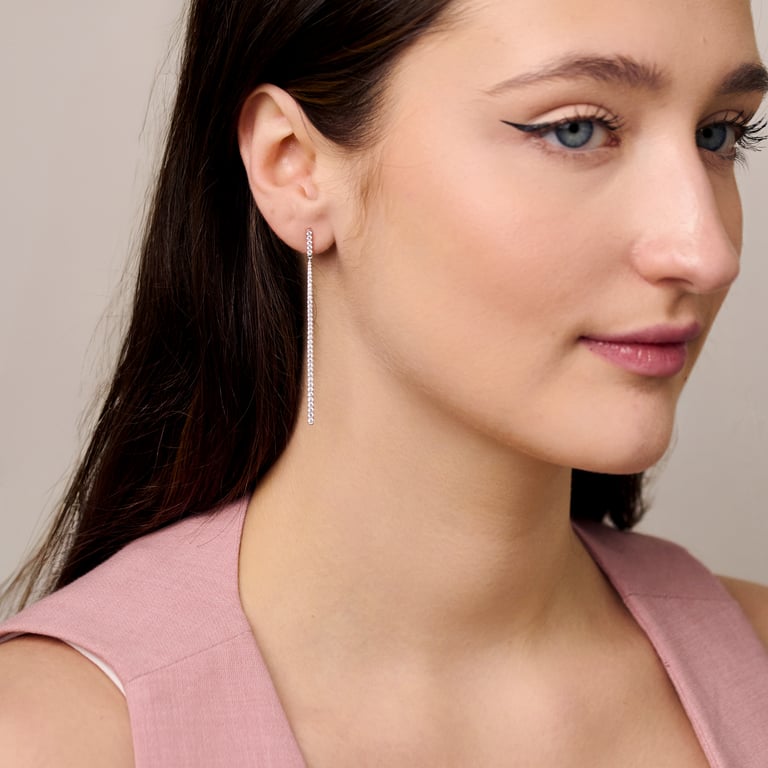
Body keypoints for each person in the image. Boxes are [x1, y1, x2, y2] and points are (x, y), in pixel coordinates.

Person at [1, 0, 768, 764]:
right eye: (576, 129)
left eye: (719, 133)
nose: (706, 252)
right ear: (294, 165)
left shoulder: (755, 658)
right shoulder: (53, 740)